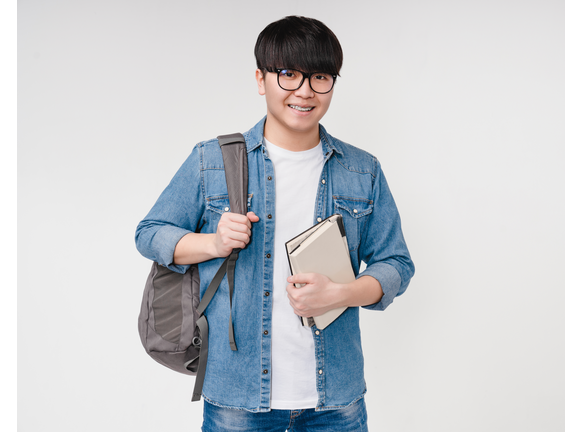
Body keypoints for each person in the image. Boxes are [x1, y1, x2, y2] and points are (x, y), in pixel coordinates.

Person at [136, 15, 415, 432]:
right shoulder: (212, 160)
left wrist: (342, 293)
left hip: (335, 402)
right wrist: (213, 243)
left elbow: (396, 264)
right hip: (237, 401)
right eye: (288, 75)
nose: (304, 91)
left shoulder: (362, 170)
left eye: (320, 77)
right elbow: (150, 233)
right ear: (261, 78)